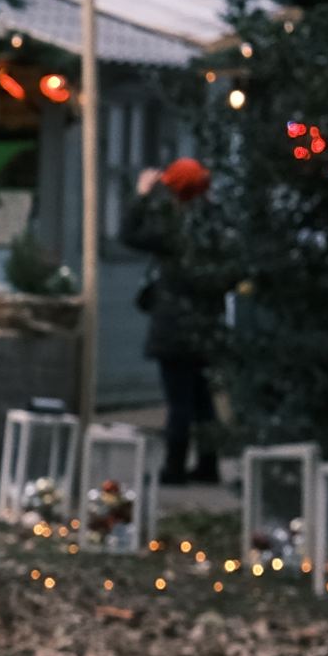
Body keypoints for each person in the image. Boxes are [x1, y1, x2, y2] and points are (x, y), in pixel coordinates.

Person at [125, 153, 223, 482]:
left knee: (179, 401)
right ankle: (209, 464)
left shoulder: (173, 227)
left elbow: (130, 234)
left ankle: (174, 467)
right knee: (203, 400)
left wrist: (141, 194)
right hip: (207, 326)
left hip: (173, 326)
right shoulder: (212, 224)